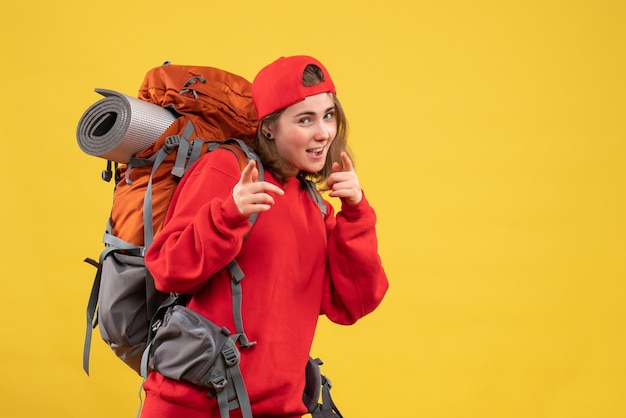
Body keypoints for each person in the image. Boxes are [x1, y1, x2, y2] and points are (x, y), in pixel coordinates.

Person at [140, 55, 388, 418]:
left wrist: (356, 213)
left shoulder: (316, 205)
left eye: (329, 115)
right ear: (269, 127)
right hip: (192, 408)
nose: (323, 132)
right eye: (305, 119)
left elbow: (354, 303)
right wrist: (228, 215)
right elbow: (167, 269)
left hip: (276, 410)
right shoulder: (229, 168)